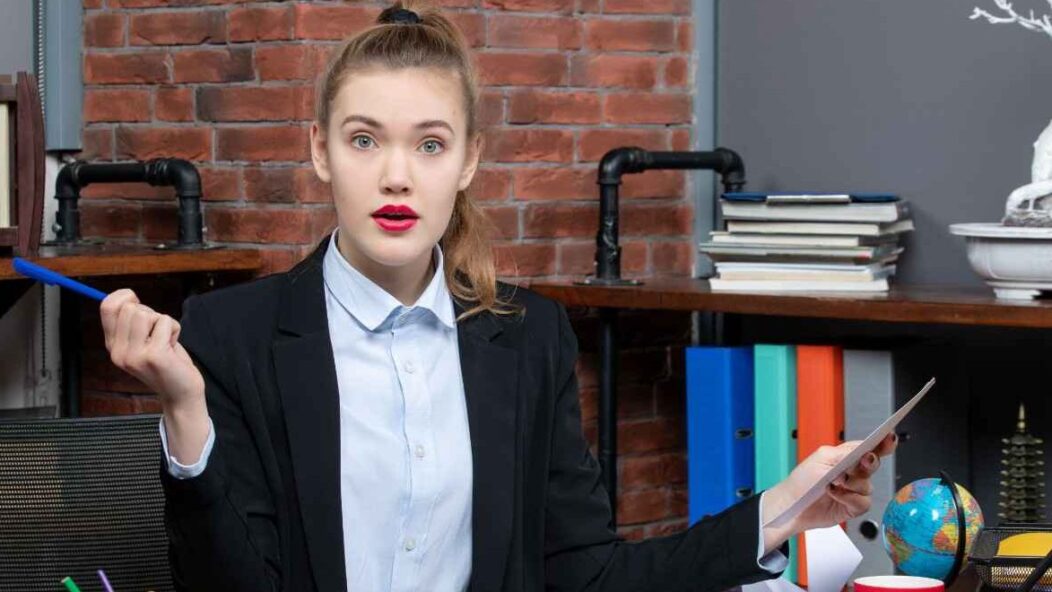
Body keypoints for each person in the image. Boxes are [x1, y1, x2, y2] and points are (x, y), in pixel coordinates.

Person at [99, 2, 896, 591]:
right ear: (320, 150)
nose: (397, 175)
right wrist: (185, 416)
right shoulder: (231, 334)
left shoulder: (529, 338)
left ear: (470, 160)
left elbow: (588, 575)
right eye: (364, 139)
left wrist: (782, 510)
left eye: (431, 143)